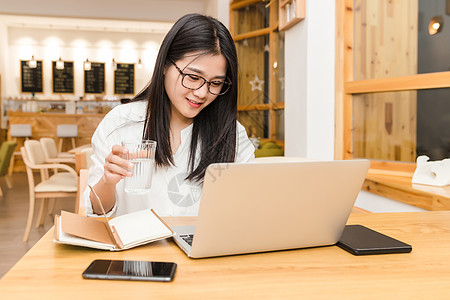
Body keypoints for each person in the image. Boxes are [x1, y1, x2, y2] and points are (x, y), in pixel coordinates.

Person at [84, 13, 255, 217]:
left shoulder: (231, 134)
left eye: (216, 83)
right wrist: (107, 181)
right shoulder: (121, 121)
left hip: (201, 248)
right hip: (134, 246)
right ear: (165, 65)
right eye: (193, 77)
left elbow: (248, 207)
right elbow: (95, 212)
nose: (201, 93)